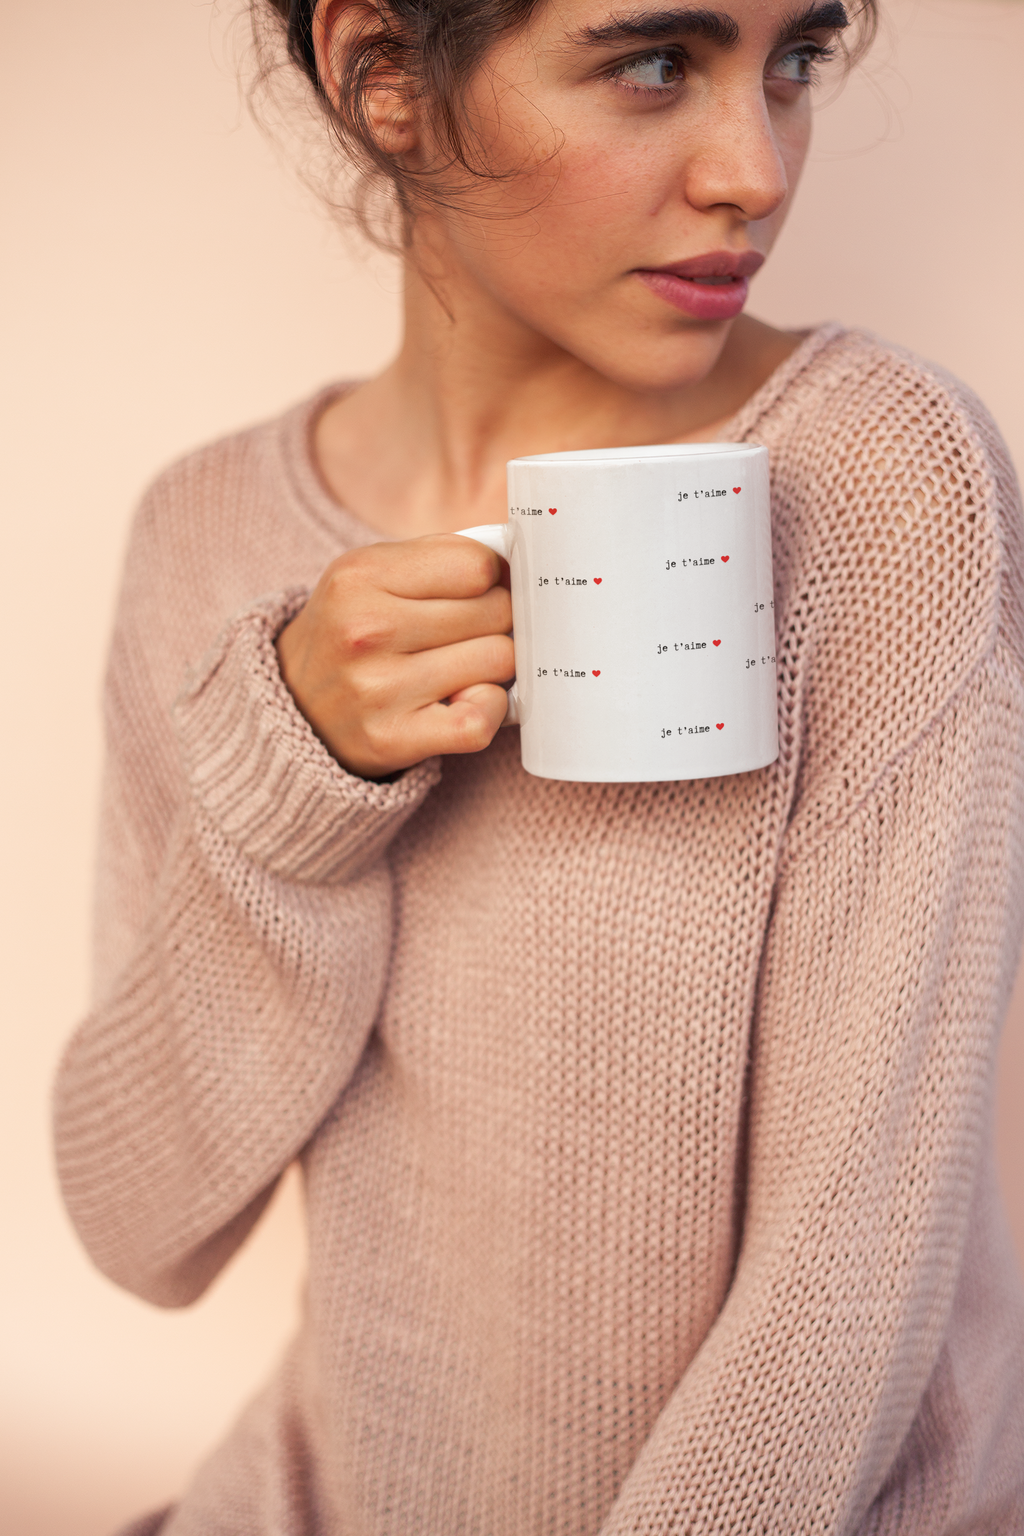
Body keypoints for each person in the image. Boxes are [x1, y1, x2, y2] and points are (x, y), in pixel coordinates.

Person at [54, 0, 1024, 1531]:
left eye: (797, 60)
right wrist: (290, 786)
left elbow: (854, 1265)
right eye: (655, 63)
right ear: (380, 72)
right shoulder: (207, 533)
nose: (755, 170)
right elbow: (138, 1225)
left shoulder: (882, 478)